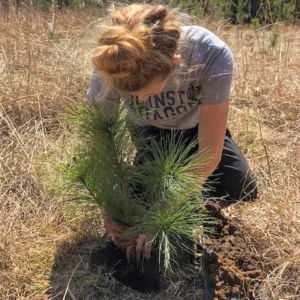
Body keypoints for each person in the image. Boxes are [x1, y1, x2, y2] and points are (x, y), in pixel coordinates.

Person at [87, 3, 257, 263]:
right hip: (150, 135)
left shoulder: (210, 55)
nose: (142, 101)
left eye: (151, 92)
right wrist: (109, 206)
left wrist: (161, 216)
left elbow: (209, 154)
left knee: (241, 188)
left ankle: (183, 199)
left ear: (174, 62)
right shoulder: (111, 66)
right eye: (133, 96)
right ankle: (148, 178)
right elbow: (100, 146)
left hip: (197, 129)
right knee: (139, 202)